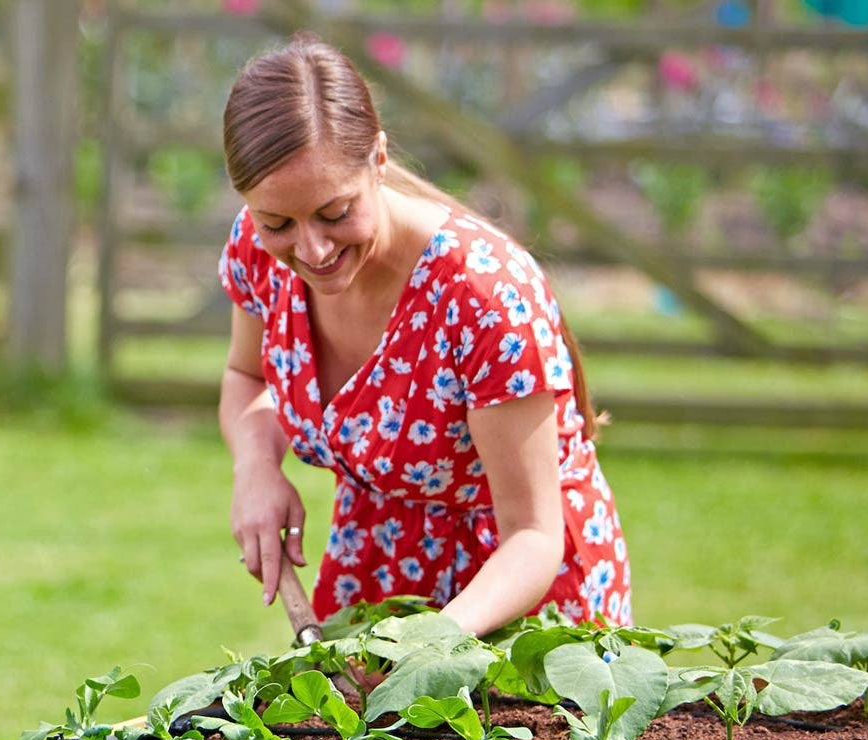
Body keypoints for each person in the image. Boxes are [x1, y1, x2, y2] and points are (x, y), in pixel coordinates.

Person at [217, 34, 631, 639]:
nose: (312, 250)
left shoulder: (482, 296)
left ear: (378, 158)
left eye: (335, 213)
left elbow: (534, 536)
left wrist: (426, 645)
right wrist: (254, 465)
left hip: (520, 602)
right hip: (378, 573)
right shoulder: (258, 252)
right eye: (278, 222)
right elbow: (246, 375)